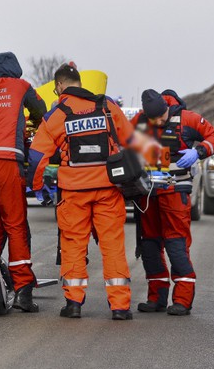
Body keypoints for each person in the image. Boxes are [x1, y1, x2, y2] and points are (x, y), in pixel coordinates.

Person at [27, 63, 155, 320]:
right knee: (112, 246)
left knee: (74, 245)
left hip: (73, 193)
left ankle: (73, 304)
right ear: (80, 84)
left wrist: (37, 187)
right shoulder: (106, 107)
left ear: (60, 86)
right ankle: (119, 307)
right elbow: (132, 140)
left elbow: (36, 156)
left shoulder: (57, 115)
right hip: (108, 189)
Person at [131, 89, 214, 315]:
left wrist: (198, 151)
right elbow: (123, 141)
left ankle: (182, 299)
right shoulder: (139, 121)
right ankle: (156, 297)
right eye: (155, 119)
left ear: (166, 108)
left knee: (176, 245)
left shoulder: (188, 119)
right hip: (147, 193)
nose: (160, 122)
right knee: (150, 246)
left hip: (175, 191)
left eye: (162, 117)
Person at [0, 52, 46, 313]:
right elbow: (42, 111)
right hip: (7, 159)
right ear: (15, 69)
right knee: (15, 225)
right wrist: (32, 127)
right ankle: (23, 291)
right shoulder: (21, 87)